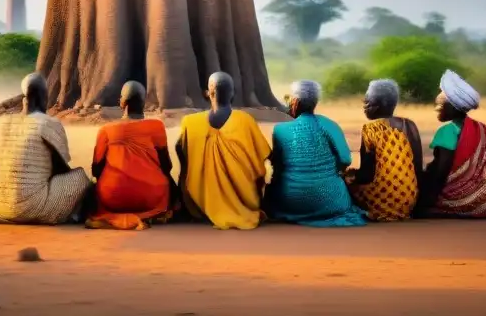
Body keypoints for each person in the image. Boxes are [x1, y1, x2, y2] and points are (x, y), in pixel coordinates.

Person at [0, 73, 91, 225]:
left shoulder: (1, 122)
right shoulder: (47, 123)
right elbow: (61, 168)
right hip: (32, 206)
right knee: (80, 177)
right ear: (42, 96)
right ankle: (74, 216)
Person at [263, 80, 366, 227]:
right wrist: (332, 171)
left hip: (289, 200)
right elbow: (345, 159)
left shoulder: (280, 129)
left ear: (295, 102)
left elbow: (277, 165)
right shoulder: (330, 125)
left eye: (289, 99)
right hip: (330, 201)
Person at [176, 72, 270, 230]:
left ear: (208, 93)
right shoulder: (245, 121)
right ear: (233, 93)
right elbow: (264, 159)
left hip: (200, 204)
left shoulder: (190, 123)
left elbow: (181, 158)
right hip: (245, 200)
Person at [86, 81, 178, 231]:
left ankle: (112, 215)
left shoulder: (106, 130)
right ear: (143, 102)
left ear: (122, 102)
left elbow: (96, 170)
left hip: (112, 197)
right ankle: (157, 214)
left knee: (91, 189)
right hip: (150, 197)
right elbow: (167, 166)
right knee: (172, 186)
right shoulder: (156, 127)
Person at [416, 69, 486, 219]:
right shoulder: (483, 128)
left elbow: (442, 169)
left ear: (453, 107)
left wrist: (427, 200)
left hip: (457, 201)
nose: (436, 109)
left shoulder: (447, 131)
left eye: (440, 105)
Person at [346, 79, 422, 222]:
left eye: (368, 102)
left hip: (382, 200)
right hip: (410, 199)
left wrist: (351, 178)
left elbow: (367, 174)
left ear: (382, 104)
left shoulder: (370, 129)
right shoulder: (410, 125)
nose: (364, 106)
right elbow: (417, 167)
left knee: (344, 185)